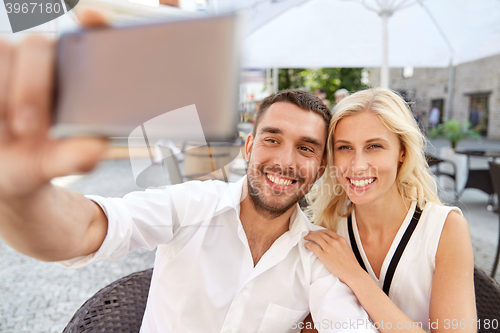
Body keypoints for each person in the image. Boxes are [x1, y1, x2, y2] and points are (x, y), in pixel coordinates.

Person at [0, 10, 375, 333]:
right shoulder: (194, 204)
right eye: (272, 139)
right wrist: (22, 192)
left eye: (306, 148)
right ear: (248, 147)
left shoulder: (318, 255)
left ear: (321, 166)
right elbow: (89, 228)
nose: (286, 161)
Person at [301, 88, 476, 333]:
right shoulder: (328, 228)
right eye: (344, 147)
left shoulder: (445, 229)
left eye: (374, 146)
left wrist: (355, 275)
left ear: (402, 152)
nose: (357, 165)